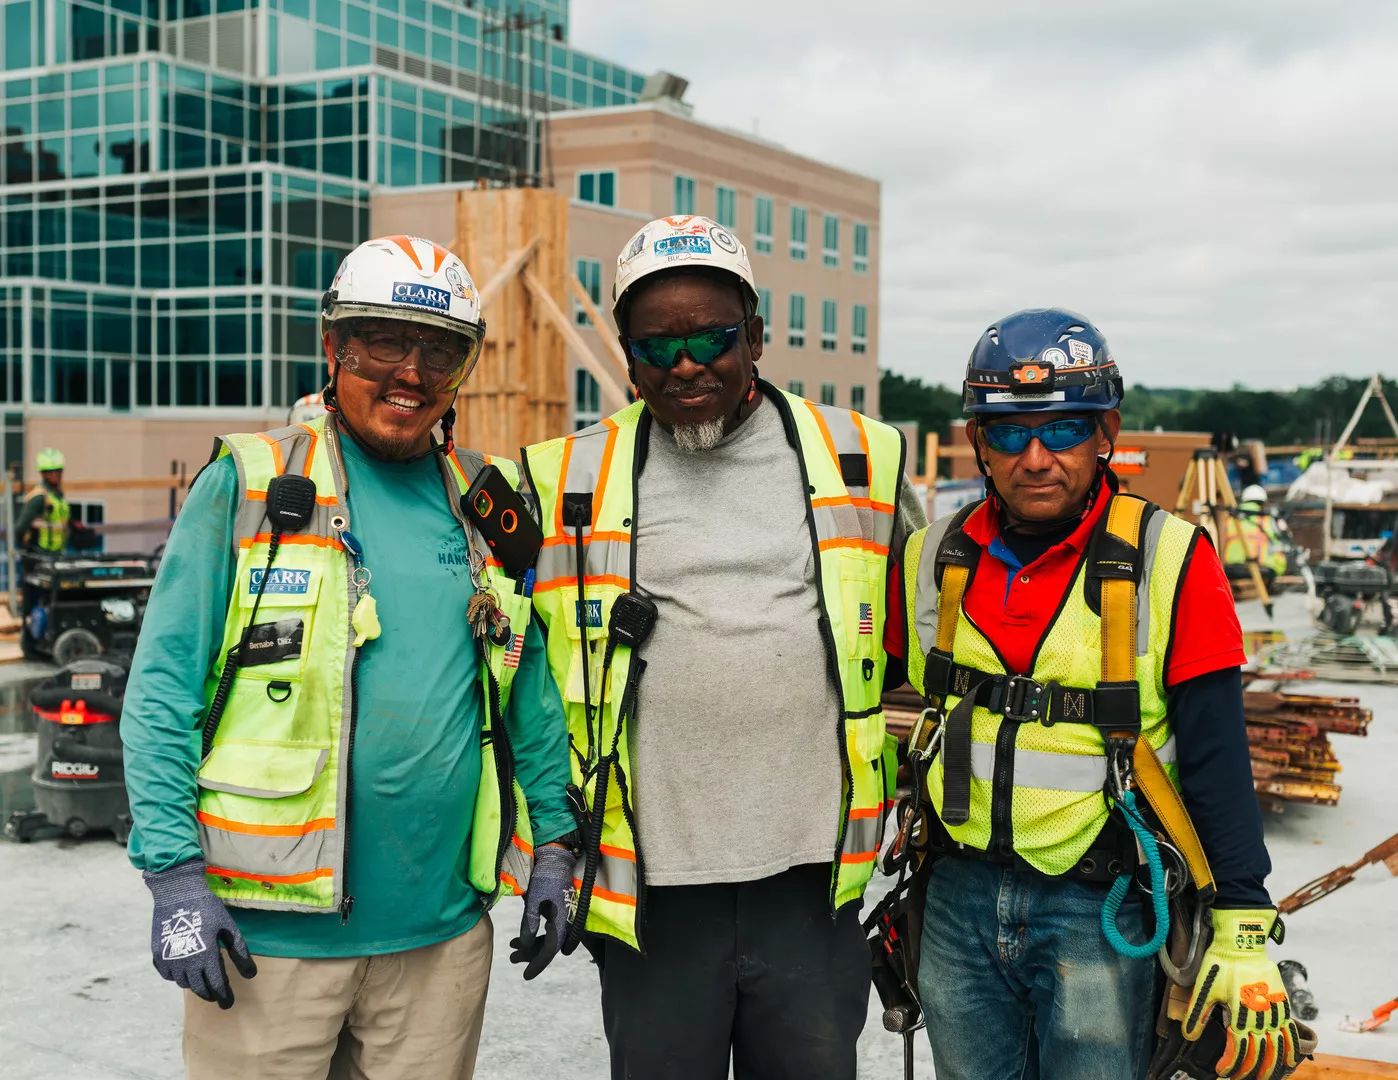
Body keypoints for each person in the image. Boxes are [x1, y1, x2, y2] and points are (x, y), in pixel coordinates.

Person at [121, 235, 577, 1079]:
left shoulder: (486, 504)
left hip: (439, 940)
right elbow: (161, 694)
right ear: (334, 349)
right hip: (266, 942)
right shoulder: (251, 488)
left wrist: (554, 844)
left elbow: (526, 691)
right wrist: (175, 875)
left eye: (438, 349)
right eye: (382, 342)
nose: (411, 371)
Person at [519, 214, 925, 1078]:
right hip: (651, 887)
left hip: (815, 883)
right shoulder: (562, 479)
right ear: (627, 355)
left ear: (758, 338)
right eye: (658, 346)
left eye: (713, 337)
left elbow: (924, 641)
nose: (688, 365)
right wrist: (549, 840)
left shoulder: (864, 459)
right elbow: (507, 670)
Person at [897, 309, 1303, 1080]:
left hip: (1102, 905)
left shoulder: (1171, 558)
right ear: (979, 442)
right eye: (1010, 434)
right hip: (957, 893)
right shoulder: (933, 558)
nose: (1037, 457)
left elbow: (1216, 746)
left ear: (1106, 433)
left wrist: (1242, 911)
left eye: (1066, 430)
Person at [1225, 484, 1290, 584]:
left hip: (1230, 568)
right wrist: (1279, 570)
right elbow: (1281, 543)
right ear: (1263, 502)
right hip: (1259, 568)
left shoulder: (1230, 518)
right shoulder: (1266, 518)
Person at [16, 448, 72, 553]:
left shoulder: (58, 495)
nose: (54, 475)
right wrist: (25, 547)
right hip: (40, 553)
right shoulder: (39, 497)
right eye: (49, 472)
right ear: (42, 473)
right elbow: (20, 527)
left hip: (58, 552)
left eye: (58, 470)